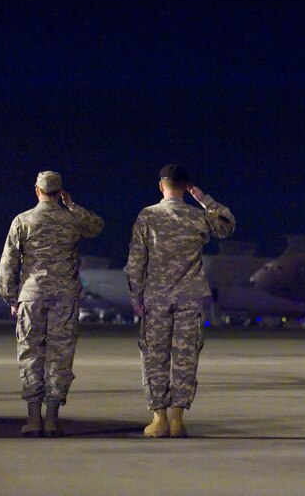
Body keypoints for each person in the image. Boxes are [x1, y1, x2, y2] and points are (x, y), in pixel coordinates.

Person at [127, 164, 235, 438]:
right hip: (189, 296)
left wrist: (136, 295)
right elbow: (227, 225)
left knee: (155, 356)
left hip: (156, 297)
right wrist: (204, 199)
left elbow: (136, 260)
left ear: (161, 186)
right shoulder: (198, 216)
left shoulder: (148, 216)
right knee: (185, 357)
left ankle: (159, 418)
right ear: (186, 187)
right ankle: (177, 419)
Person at [0, 170, 105, 437]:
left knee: (30, 354)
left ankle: (34, 419)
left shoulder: (22, 221)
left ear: (37, 191)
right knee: (60, 356)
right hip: (65, 297)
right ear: (60, 192)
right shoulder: (71, 219)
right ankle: (53, 419)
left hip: (31, 296)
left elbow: (8, 263)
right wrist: (71, 206)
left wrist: (11, 298)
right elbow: (96, 226)